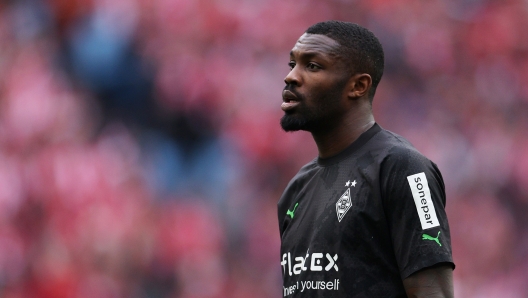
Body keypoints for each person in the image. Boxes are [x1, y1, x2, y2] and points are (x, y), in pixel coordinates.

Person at [277, 20, 455, 297]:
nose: (292, 77)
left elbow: (434, 294)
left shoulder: (403, 169)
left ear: (358, 86)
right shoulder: (295, 191)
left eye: (312, 66)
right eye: (293, 65)